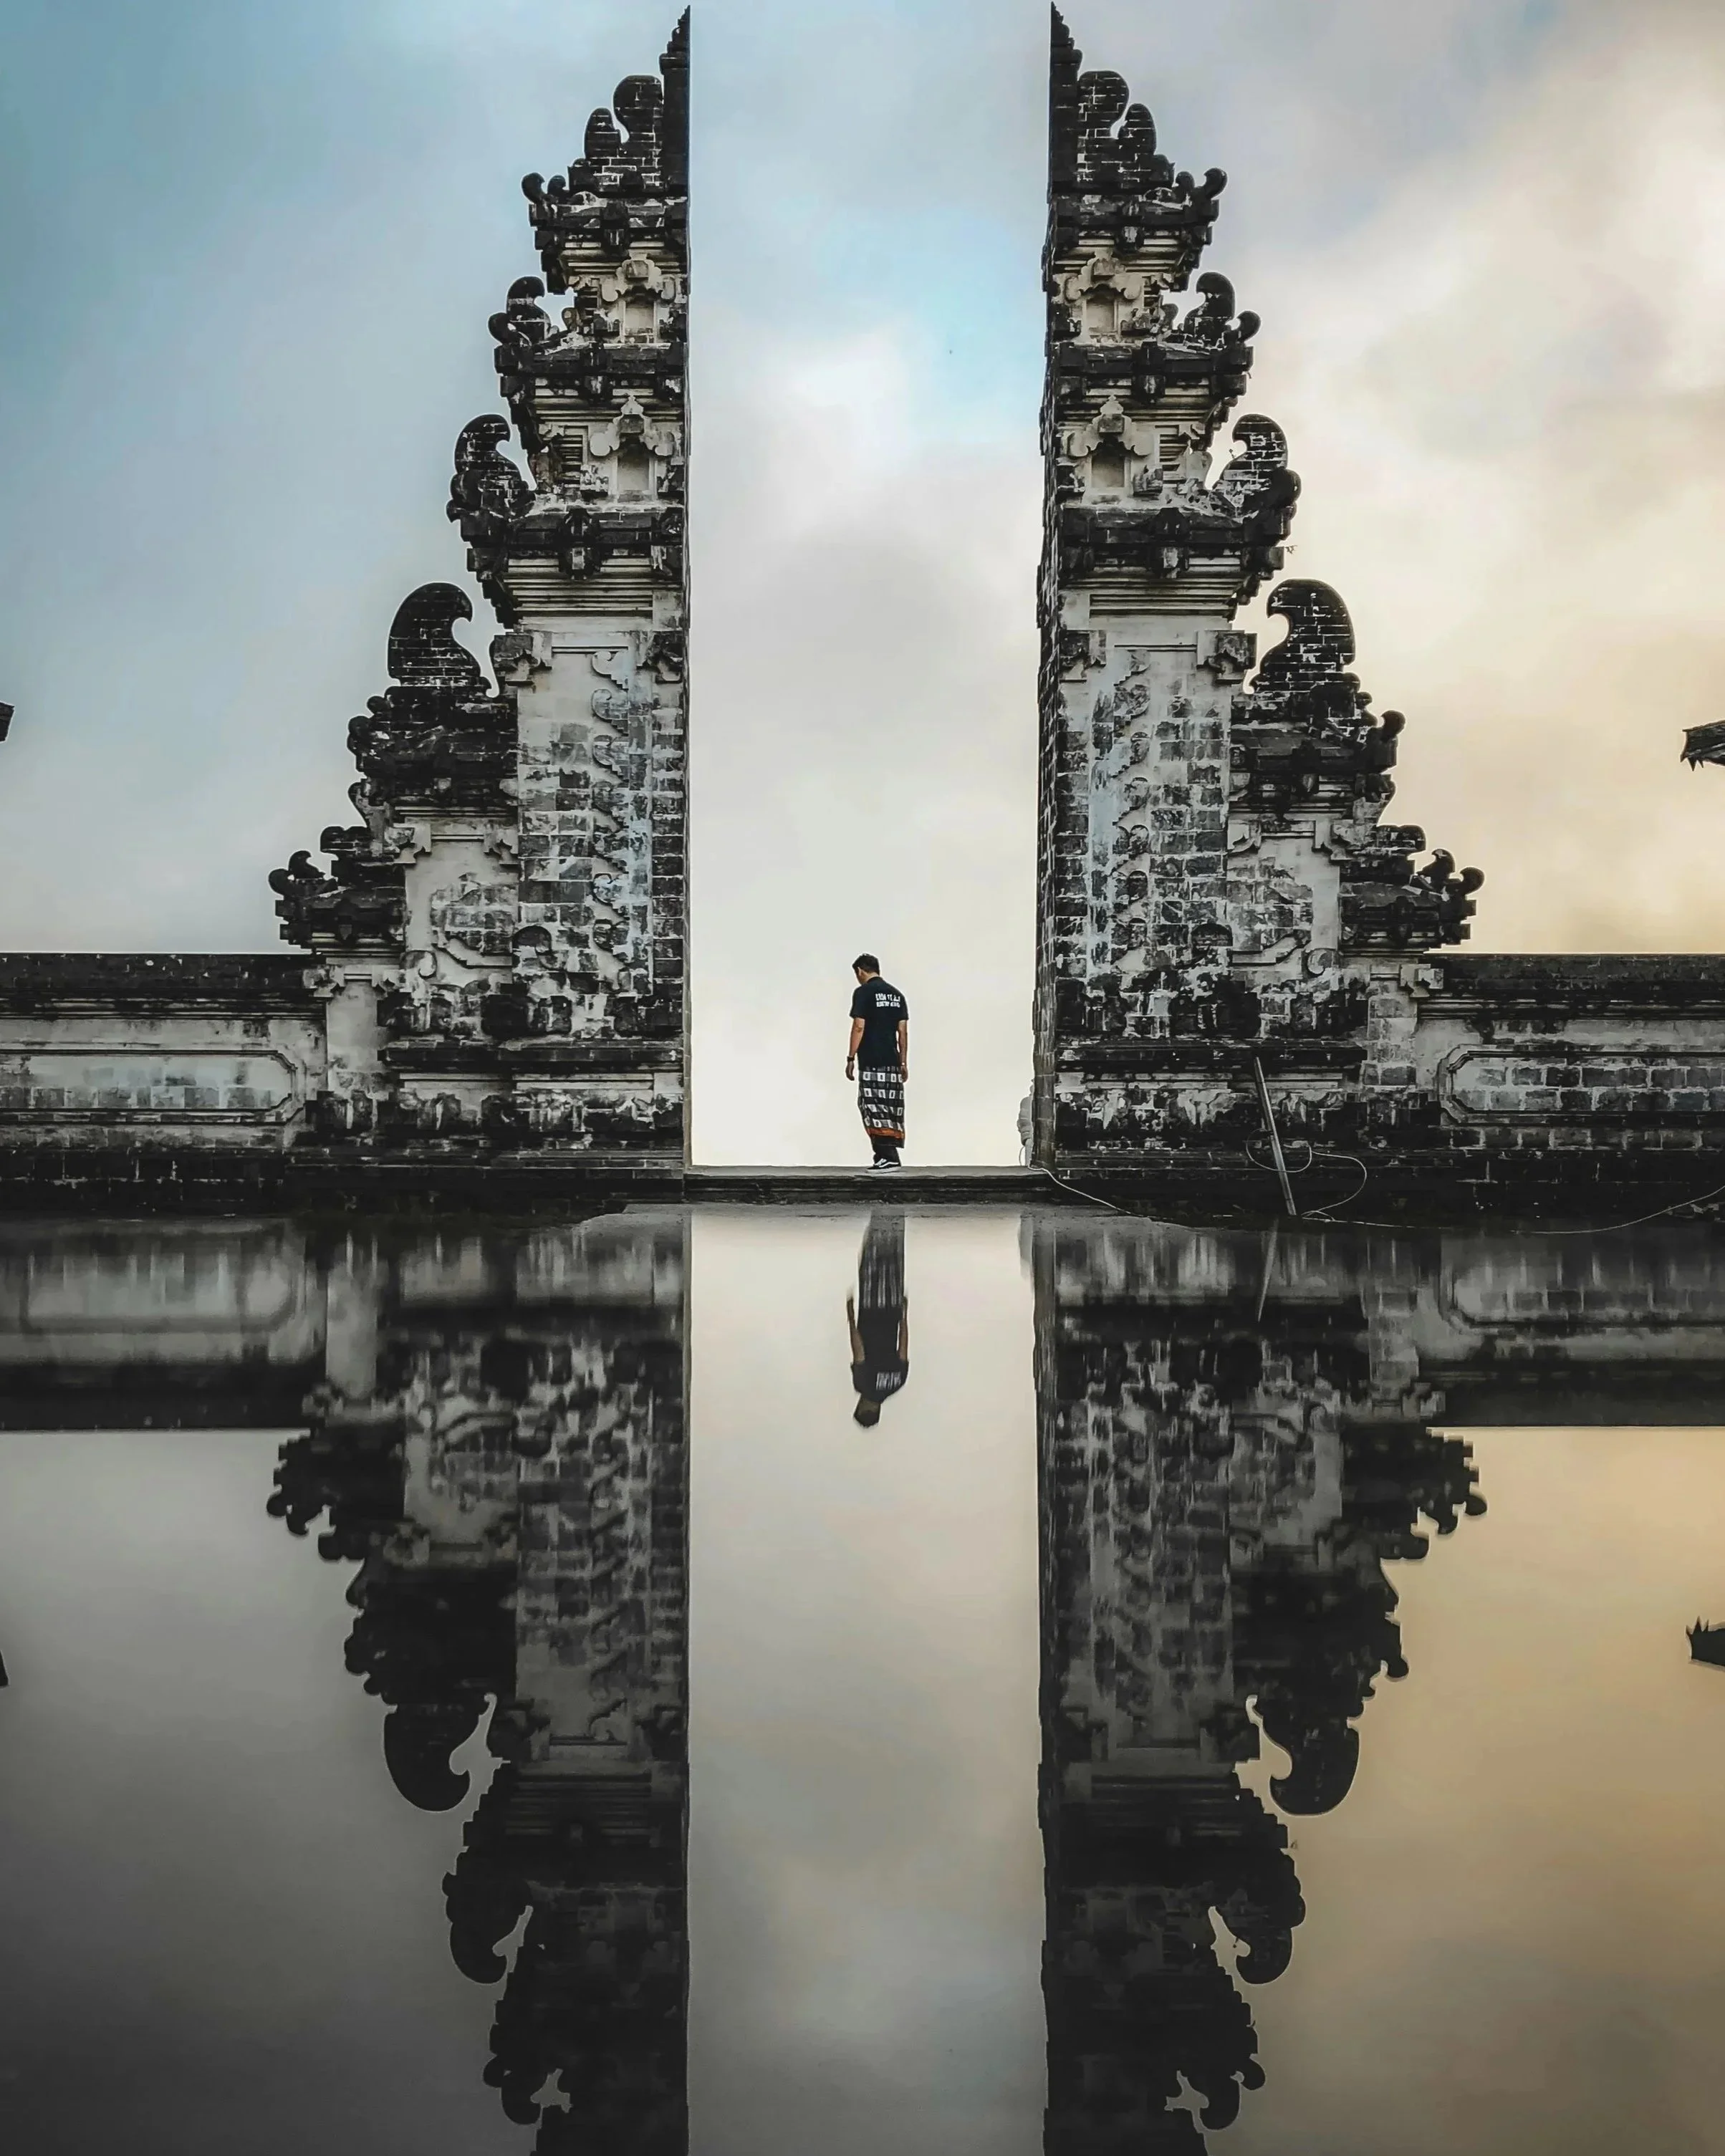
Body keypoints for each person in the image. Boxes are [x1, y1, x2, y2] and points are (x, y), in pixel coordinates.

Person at [845, 954, 908, 1170]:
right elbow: (903, 1033)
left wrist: (851, 1057)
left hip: (872, 1059)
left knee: (871, 1105)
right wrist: (903, 1063)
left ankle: (886, 1156)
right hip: (892, 1060)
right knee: (890, 1108)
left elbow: (859, 1026)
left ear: (860, 971)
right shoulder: (897, 995)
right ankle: (887, 1156)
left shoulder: (863, 993)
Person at [847, 1211, 909, 1426]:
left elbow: (903, 1348)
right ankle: (881, 1212)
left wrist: (904, 1316)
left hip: (892, 1310)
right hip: (871, 1310)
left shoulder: (897, 1383)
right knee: (871, 1261)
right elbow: (859, 1351)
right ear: (864, 1409)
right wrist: (850, 1317)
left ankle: (897, 1214)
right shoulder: (863, 1384)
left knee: (893, 1261)